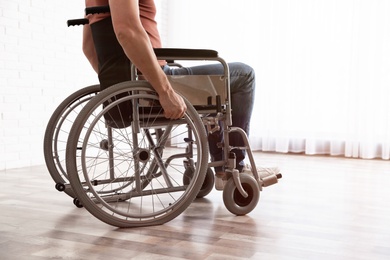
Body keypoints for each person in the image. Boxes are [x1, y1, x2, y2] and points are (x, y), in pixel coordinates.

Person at [82, 0, 280, 190]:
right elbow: (127, 31)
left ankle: (224, 166)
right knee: (244, 75)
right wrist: (164, 90)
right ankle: (234, 168)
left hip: (143, 80)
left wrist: (118, 84)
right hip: (154, 81)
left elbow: (89, 47)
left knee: (212, 87)